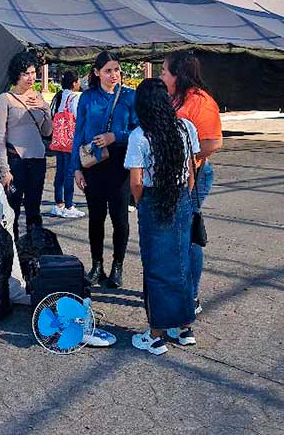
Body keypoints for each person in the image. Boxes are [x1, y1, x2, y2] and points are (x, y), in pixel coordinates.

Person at [125, 78, 200, 355]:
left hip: (153, 201)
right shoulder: (185, 128)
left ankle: (155, 336)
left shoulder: (139, 136)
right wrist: (182, 195)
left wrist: (141, 202)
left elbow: (136, 181)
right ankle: (184, 328)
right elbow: (192, 173)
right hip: (181, 198)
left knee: (156, 267)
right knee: (181, 262)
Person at [70, 51, 139, 289]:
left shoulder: (130, 96)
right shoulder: (87, 98)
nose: (114, 75)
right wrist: (75, 169)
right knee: (96, 218)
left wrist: (115, 136)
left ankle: (117, 266)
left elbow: (139, 132)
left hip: (119, 164)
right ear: (97, 72)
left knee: (120, 218)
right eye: (108, 70)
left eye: (117, 70)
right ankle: (96, 264)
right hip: (92, 164)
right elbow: (78, 133)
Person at [161, 51, 222, 315]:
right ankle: (177, 288)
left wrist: (184, 156)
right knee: (176, 233)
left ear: (179, 74)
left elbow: (213, 142)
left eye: (164, 71)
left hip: (194, 176)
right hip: (172, 177)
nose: (161, 75)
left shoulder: (201, 102)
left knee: (189, 234)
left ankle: (191, 295)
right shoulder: (174, 98)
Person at [0, 51, 52, 238]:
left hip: (38, 159)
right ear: (16, 74)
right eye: (26, 73)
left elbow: (47, 131)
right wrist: (4, 169)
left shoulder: (38, 97)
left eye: (34, 73)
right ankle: (14, 250)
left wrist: (45, 108)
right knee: (13, 208)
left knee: (34, 208)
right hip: (15, 159)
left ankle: (34, 248)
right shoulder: (5, 99)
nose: (31, 77)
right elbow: (0, 136)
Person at [48, 70, 85, 219]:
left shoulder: (58, 96)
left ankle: (59, 204)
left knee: (60, 172)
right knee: (70, 173)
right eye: (78, 81)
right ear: (74, 83)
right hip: (70, 141)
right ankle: (69, 206)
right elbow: (77, 117)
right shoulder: (72, 98)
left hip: (58, 141)